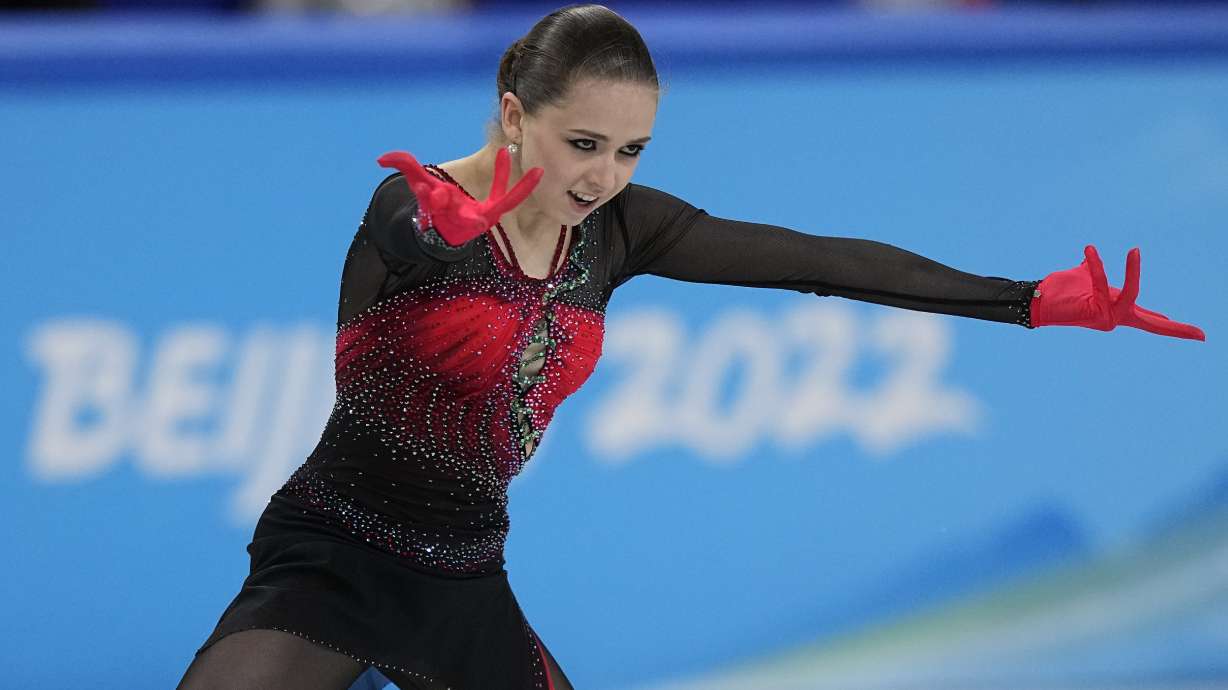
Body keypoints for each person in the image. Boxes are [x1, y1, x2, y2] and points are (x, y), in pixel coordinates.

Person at [177, 4, 1205, 690]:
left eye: (629, 151)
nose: (603, 174)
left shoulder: (619, 230)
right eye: (583, 143)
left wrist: (1022, 300)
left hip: (464, 577)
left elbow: (817, 260)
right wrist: (437, 233)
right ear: (511, 114)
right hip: (330, 554)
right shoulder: (417, 202)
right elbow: (407, 234)